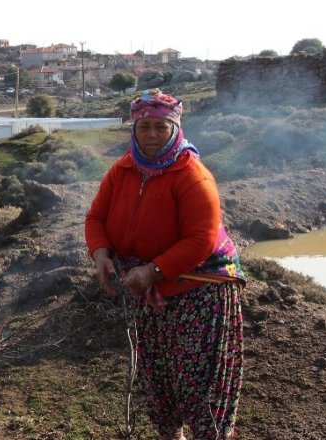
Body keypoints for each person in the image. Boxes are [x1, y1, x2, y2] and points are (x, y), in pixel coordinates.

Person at [85, 89, 245, 440]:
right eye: (145, 127)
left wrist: (152, 270)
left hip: (199, 294)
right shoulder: (122, 170)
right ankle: (170, 435)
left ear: (175, 128)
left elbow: (200, 240)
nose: (153, 135)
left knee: (199, 383)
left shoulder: (192, 175)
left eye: (161, 127)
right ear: (134, 128)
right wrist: (101, 254)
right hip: (152, 294)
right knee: (158, 377)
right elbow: (97, 217)